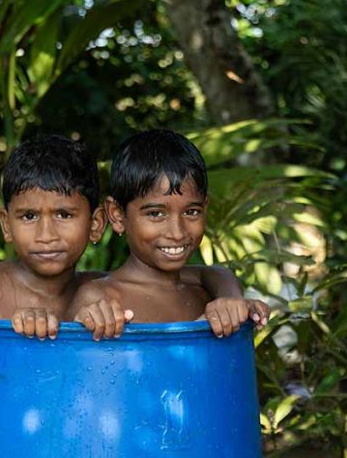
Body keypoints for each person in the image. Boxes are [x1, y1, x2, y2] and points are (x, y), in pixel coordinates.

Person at [0, 133, 256, 341]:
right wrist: (20, 332)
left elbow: (203, 274)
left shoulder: (98, 288)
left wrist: (230, 296)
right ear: (6, 223)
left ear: (97, 224)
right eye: (29, 216)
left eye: (64, 215)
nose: (46, 235)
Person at [66, 129, 269, 340]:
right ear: (117, 215)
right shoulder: (100, 299)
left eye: (191, 212)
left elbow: (215, 273)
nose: (177, 232)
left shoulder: (205, 293)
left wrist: (232, 302)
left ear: (205, 207)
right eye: (155, 214)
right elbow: (70, 367)